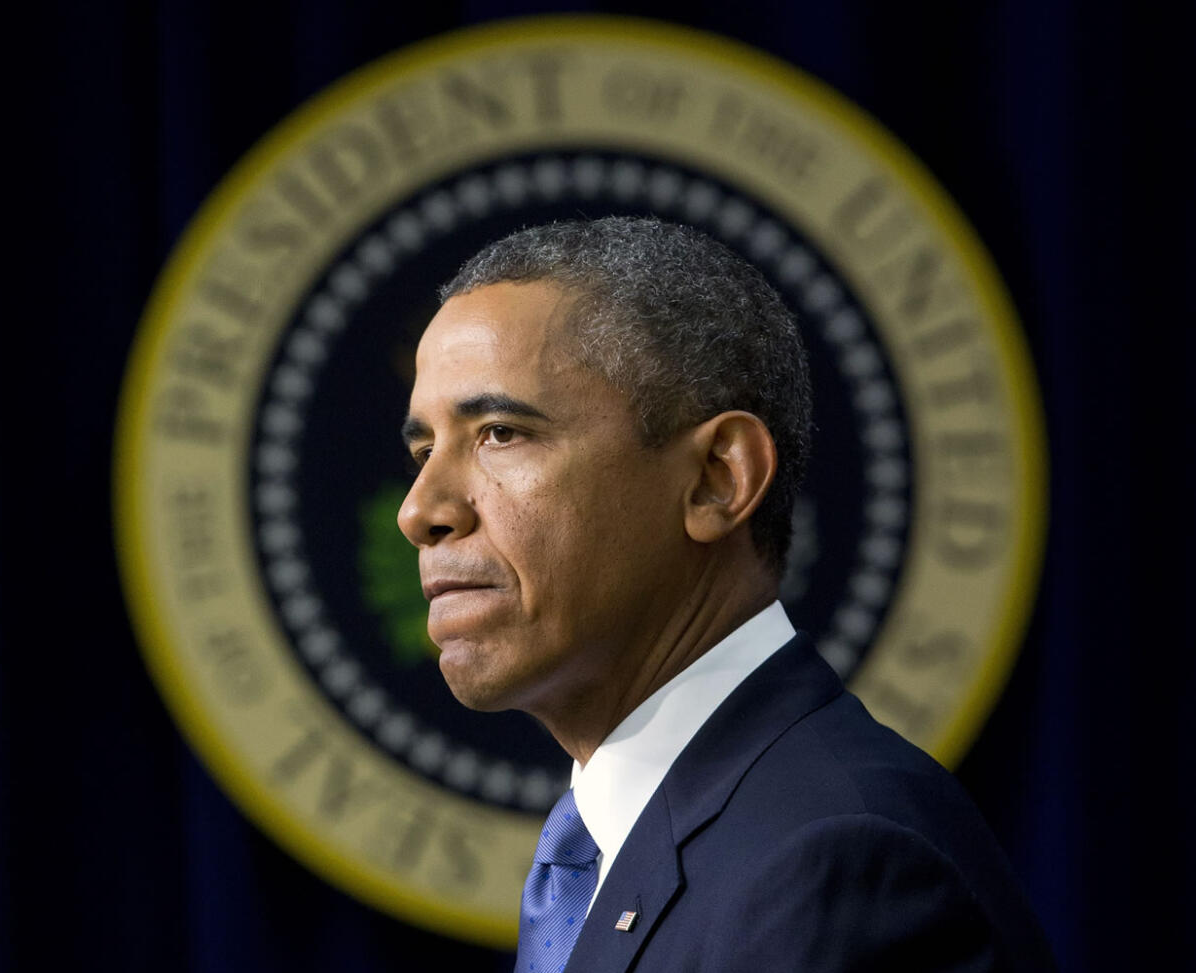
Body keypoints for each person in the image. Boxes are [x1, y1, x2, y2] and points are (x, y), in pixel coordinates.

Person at [397, 217, 1053, 971]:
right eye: (423, 450)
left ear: (718, 479)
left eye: (500, 433)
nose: (419, 509)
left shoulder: (837, 863)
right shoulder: (618, 847)